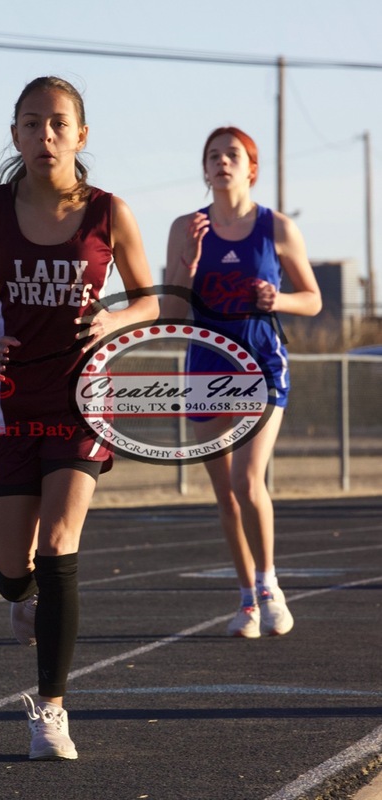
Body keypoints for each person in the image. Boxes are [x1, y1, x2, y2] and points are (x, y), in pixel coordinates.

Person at [0, 76, 158, 760]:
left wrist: (117, 316)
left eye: (58, 123)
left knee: (61, 544)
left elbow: (153, 301)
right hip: (9, 401)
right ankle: (20, 595)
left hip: (82, 400)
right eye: (31, 124)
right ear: (15, 135)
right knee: (13, 566)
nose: (45, 135)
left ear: (80, 136)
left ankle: (50, 713)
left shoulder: (108, 212)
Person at [163, 126, 321, 639]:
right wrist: (186, 265)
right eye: (213, 155)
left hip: (260, 359)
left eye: (233, 154)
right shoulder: (186, 227)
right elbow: (171, 309)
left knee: (246, 480)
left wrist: (279, 300)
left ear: (251, 168)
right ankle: (248, 600)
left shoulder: (278, 227)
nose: (222, 162)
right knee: (226, 495)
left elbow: (313, 299)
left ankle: (271, 586)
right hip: (207, 362)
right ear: (204, 170)